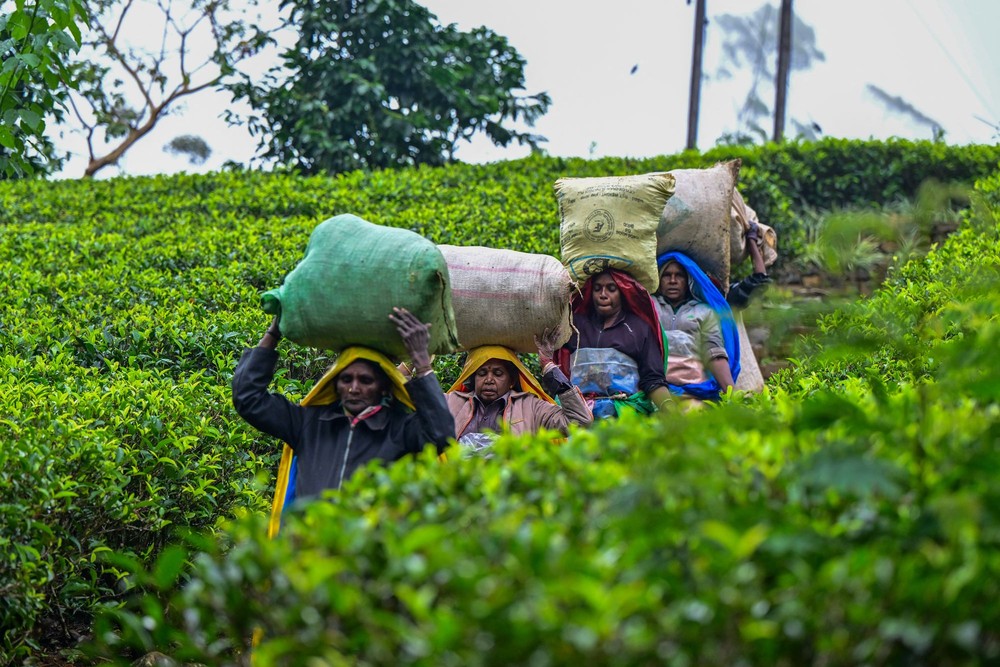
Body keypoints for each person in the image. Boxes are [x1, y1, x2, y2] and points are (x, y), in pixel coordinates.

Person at [232, 307, 455, 535]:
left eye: (365, 380)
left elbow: (441, 435)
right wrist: (273, 333)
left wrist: (422, 364)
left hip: (363, 556)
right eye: (346, 379)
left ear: (384, 387)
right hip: (307, 550)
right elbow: (249, 399)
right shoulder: (309, 423)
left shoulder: (399, 429)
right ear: (335, 384)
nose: (354, 388)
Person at [443, 329, 593, 454]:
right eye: (482, 373)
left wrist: (548, 367)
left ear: (512, 380)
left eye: (498, 373)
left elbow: (580, 421)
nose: (489, 379)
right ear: (473, 377)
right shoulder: (451, 402)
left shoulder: (531, 407)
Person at [556, 269, 672, 418]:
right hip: (578, 415)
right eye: (597, 289)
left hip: (625, 416)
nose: (603, 295)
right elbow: (559, 371)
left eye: (611, 289)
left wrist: (669, 408)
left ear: (623, 292)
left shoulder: (639, 328)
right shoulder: (574, 325)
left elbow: (653, 379)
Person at [654, 252, 740, 402]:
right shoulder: (650, 305)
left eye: (679, 275)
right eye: (666, 275)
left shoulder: (704, 311)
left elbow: (713, 351)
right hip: (656, 391)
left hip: (694, 390)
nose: (673, 280)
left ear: (688, 280)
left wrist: (733, 397)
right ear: (659, 279)